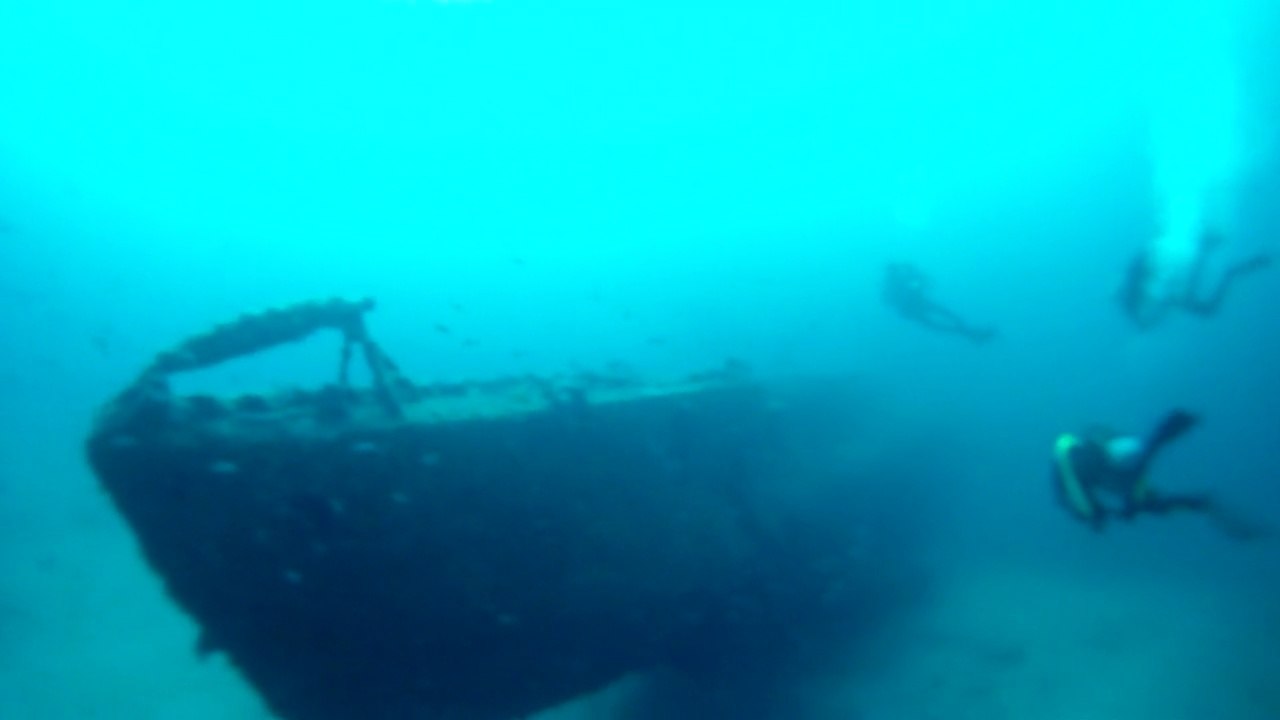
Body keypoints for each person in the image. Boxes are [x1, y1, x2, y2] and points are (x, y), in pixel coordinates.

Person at [1051, 410, 1264, 540]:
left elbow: (1079, 496)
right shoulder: (1079, 461)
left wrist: (1097, 515)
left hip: (1107, 468)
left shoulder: (1073, 468)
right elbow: (1084, 494)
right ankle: (1202, 503)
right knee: (1146, 494)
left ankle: (1167, 431)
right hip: (1110, 467)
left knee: (1141, 489)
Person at [1119, 229, 1271, 329]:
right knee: (1205, 307)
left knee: (1205, 307)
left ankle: (1206, 250)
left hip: (1169, 286)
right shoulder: (1132, 295)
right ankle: (1207, 251)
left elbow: (1144, 321)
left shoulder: (1131, 299)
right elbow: (1147, 319)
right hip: (1169, 289)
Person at [882, 262, 996, 344]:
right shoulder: (890, 285)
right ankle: (969, 334)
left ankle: (970, 333)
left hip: (921, 304)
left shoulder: (905, 278)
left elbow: (927, 282)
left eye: (896, 270)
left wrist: (915, 273)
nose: (896, 273)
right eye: (894, 271)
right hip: (912, 310)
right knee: (938, 324)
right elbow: (888, 301)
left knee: (947, 317)